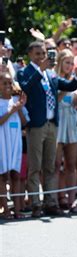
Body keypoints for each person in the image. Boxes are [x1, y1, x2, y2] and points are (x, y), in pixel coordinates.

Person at [17, 41, 77, 218]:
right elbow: (26, 87)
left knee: (51, 165)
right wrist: (40, 70)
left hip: (52, 124)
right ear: (30, 54)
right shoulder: (25, 72)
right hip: (36, 125)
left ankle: (51, 202)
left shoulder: (50, 74)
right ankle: (35, 204)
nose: (41, 57)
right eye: (38, 54)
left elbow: (68, 86)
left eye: (43, 53)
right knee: (35, 166)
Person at [54, 49, 77, 209]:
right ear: (59, 63)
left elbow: (75, 103)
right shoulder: (54, 78)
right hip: (58, 120)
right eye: (66, 63)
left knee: (71, 164)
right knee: (56, 163)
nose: (69, 66)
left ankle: (71, 198)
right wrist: (68, 86)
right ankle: (57, 196)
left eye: (71, 63)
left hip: (72, 119)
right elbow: (56, 99)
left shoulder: (76, 79)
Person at [0, 72, 28, 219]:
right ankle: (5, 209)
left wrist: (20, 108)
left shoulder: (16, 101)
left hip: (15, 142)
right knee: (3, 177)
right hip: (2, 143)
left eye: (10, 83)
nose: (7, 86)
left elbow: (24, 122)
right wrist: (13, 110)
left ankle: (17, 209)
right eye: (4, 83)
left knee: (16, 175)